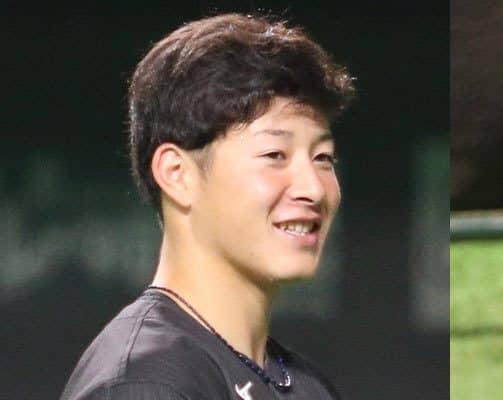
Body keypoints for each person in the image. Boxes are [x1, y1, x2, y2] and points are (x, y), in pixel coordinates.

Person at [61, 13, 355, 400]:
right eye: (275, 155)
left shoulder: (308, 387)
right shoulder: (147, 383)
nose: (313, 188)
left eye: (323, 158)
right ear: (177, 174)